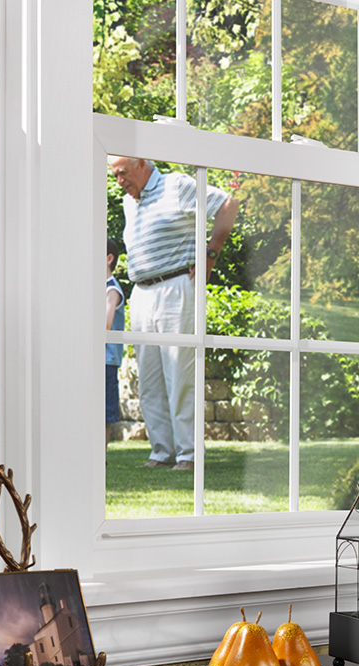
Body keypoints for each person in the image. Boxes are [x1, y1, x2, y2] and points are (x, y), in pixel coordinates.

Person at [107, 156, 239, 471]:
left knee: (180, 372)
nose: (119, 181)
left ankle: (189, 454)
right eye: (115, 175)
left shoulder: (176, 185)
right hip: (142, 292)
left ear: (141, 164)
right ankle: (162, 451)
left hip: (176, 285)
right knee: (149, 380)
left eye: (123, 173)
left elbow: (228, 206)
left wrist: (211, 253)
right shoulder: (128, 202)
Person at [104, 238, 126, 445]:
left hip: (106, 360)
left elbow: (106, 324)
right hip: (95, 358)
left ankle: (99, 459)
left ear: (109, 259)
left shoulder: (112, 290)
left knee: (104, 413)